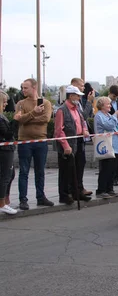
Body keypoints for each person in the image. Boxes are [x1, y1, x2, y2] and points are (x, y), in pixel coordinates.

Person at [14, 78, 54, 210]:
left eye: (26, 88)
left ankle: (40, 197)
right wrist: (34, 113)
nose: (23, 90)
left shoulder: (46, 103)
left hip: (41, 141)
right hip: (24, 141)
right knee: (24, 171)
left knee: (40, 171)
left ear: (34, 88)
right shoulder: (20, 103)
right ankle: (23, 199)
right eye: (22, 88)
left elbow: (46, 119)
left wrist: (28, 118)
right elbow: (19, 120)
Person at [54, 86, 91, 204]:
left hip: (78, 141)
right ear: (71, 96)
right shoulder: (62, 110)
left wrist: (85, 130)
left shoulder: (77, 109)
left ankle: (76, 192)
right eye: (77, 95)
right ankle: (64, 195)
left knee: (78, 168)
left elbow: (82, 122)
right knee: (65, 171)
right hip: (68, 144)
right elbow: (59, 131)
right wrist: (65, 146)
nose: (79, 98)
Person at [0, 91, 17, 214]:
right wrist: (16, 121)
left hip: (7, 149)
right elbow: (8, 134)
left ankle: (4, 201)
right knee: (5, 176)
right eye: (4, 102)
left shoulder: (2, 116)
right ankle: (2, 203)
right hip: (4, 151)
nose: (5, 105)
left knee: (9, 175)